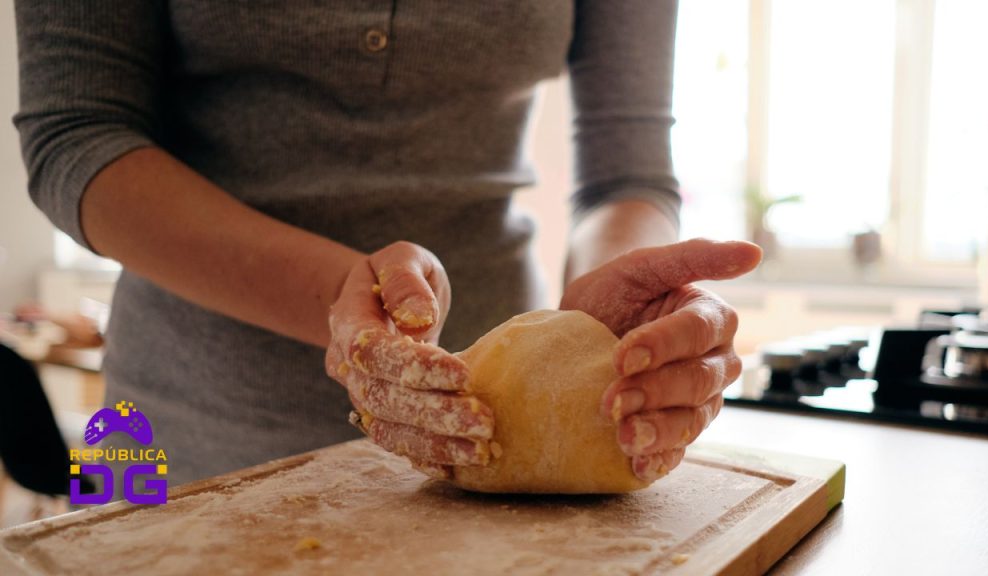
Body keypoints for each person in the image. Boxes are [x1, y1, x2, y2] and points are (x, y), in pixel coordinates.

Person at [13, 1, 762, 488]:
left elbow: (626, 173)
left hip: (498, 447)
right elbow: (76, 136)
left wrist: (612, 328)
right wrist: (340, 296)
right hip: (188, 437)